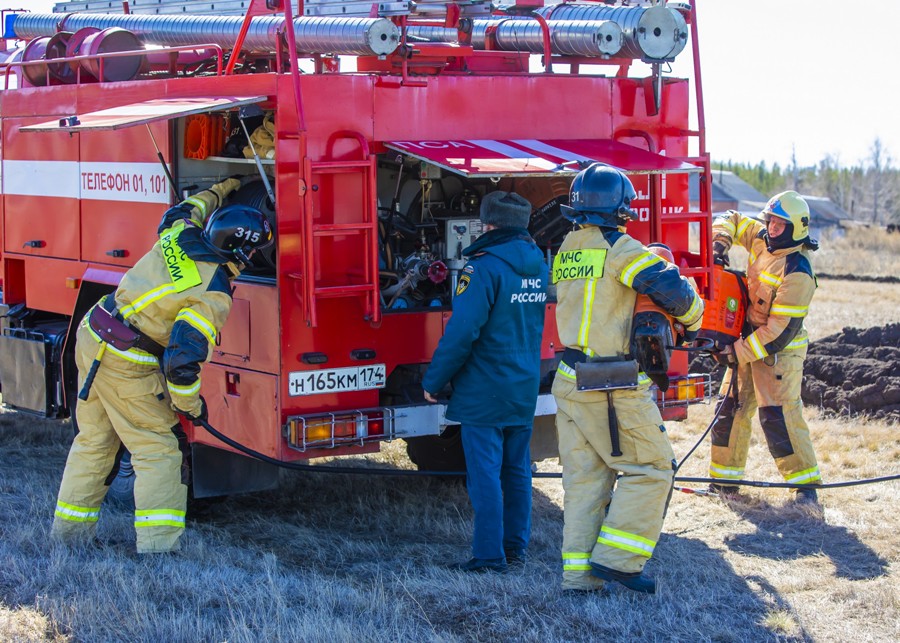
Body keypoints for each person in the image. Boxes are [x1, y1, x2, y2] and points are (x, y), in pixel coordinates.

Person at [51, 178, 272, 554]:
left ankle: (68, 540)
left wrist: (222, 187)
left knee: (94, 443)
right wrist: (189, 407)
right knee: (159, 450)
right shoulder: (211, 293)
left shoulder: (179, 233)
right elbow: (182, 363)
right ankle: (159, 551)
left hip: (94, 334)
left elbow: (184, 209)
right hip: (127, 361)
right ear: (241, 253)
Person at [551, 163, 704, 594]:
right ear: (621, 209)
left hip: (569, 378)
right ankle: (618, 562)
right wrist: (694, 319)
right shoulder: (620, 249)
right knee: (653, 469)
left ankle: (578, 579)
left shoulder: (568, 247)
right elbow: (671, 288)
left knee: (584, 482)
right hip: (611, 383)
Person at [422, 191, 548, 573]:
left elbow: (462, 332)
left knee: (485, 476)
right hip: (523, 385)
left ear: (488, 225)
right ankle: (515, 549)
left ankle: (489, 555)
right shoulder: (538, 263)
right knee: (517, 470)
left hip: (484, 390)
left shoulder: (483, 268)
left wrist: (435, 379)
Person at [707, 191, 822, 504]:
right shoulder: (761, 239)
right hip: (746, 341)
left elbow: (778, 333)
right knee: (729, 409)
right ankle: (724, 484)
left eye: (779, 224)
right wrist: (720, 243)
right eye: (770, 221)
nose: (771, 228)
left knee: (778, 417)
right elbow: (729, 218)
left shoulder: (798, 271)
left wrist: (736, 352)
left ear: (796, 228)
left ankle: (805, 488)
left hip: (779, 355)